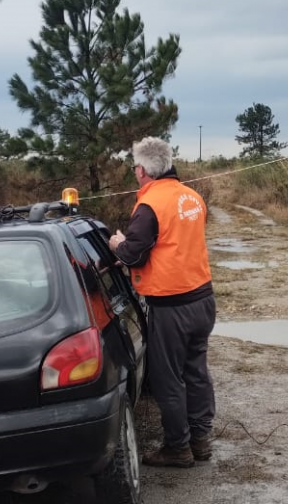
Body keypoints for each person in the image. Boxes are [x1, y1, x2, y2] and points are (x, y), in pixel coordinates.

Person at [109, 137, 216, 468]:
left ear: (141, 170)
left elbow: (134, 255)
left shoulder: (150, 205)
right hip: (202, 299)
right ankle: (200, 440)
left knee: (168, 378)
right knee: (196, 372)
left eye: (134, 167)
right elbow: (173, 243)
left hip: (171, 306)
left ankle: (177, 448)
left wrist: (118, 245)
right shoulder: (192, 197)